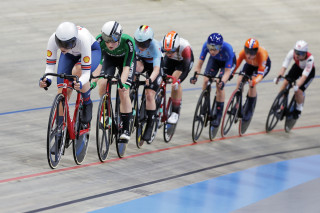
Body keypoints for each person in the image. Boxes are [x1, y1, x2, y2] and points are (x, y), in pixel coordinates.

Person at [39, 22, 101, 126]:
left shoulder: (83, 39)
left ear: (74, 40)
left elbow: (85, 73)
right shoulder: (53, 39)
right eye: (60, 44)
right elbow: (49, 67)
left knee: (77, 71)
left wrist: (80, 82)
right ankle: (60, 128)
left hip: (91, 51)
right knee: (62, 92)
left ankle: (87, 102)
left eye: (66, 44)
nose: (63, 47)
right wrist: (47, 80)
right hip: (69, 54)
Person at [92, 21, 136, 141]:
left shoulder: (128, 42)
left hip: (125, 62)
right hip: (109, 60)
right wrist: (94, 81)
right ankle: (106, 113)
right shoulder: (99, 41)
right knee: (102, 82)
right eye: (107, 40)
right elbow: (99, 64)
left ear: (119, 36)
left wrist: (122, 83)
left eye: (113, 40)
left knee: (123, 91)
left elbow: (127, 67)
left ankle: (126, 129)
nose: (110, 44)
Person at [190, 33, 236, 127]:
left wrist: (223, 82)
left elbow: (227, 72)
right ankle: (204, 103)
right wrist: (195, 76)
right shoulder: (206, 47)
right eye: (210, 48)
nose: (211, 50)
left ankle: (218, 114)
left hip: (227, 64)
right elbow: (199, 65)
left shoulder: (228, 49)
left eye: (214, 48)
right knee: (206, 80)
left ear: (220, 47)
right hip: (215, 60)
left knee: (219, 85)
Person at [134, 25, 163, 142]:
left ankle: (150, 124)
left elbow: (156, 69)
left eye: (144, 44)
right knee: (135, 69)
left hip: (154, 67)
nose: (140, 47)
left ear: (149, 41)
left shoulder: (155, 46)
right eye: (138, 44)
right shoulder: (134, 44)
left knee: (150, 94)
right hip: (143, 63)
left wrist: (150, 79)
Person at [230, 38, 271, 121]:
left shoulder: (262, 55)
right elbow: (236, 65)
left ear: (256, 51)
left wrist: (254, 81)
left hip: (262, 66)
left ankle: (249, 110)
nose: (248, 55)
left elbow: (260, 74)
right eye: (247, 51)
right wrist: (231, 73)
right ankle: (237, 104)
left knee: (252, 82)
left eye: (252, 53)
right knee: (240, 80)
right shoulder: (243, 53)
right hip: (250, 64)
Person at [274, 40, 315, 119]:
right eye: (296, 52)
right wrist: (279, 77)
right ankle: (280, 103)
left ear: (305, 53)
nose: (297, 55)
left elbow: (304, 77)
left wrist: (296, 86)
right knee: (285, 82)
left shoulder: (310, 59)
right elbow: (284, 67)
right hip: (297, 67)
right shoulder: (291, 53)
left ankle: (299, 109)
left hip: (308, 73)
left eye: (301, 53)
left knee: (298, 90)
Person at [161, 31, 194, 124]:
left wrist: (178, 81)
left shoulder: (185, 48)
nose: (168, 53)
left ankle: (175, 111)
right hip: (170, 61)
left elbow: (186, 69)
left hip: (182, 62)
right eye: (166, 51)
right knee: (161, 78)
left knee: (174, 81)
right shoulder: (165, 49)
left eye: (171, 51)